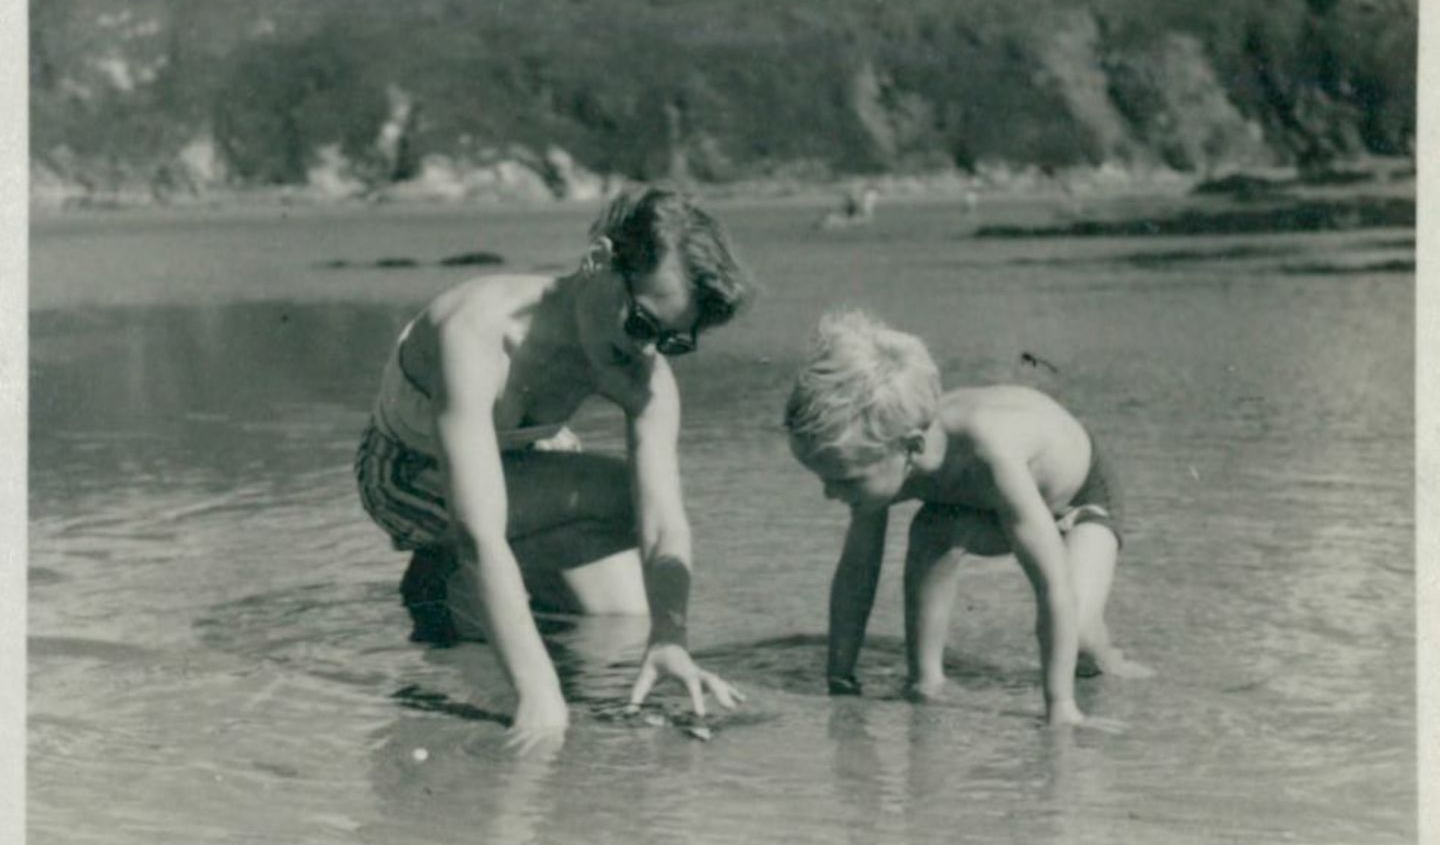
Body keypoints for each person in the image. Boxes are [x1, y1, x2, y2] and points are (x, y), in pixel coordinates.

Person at [355, 187, 752, 752]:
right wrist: (538, 692)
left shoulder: (641, 368)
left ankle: (473, 600)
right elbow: (478, 530)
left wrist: (670, 639)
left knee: (624, 615)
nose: (648, 350)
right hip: (406, 476)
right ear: (598, 261)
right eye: (640, 324)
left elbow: (664, 522)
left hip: (522, 470)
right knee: (609, 503)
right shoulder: (477, 332)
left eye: (673, 339)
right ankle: (444, 580)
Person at [783, 309, 1151, 728]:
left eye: (844, 479)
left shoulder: (990, 450)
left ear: (911, 447)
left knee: (1081, 639)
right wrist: (840, 678)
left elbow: (1051, 584)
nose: (830, 493)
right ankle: (925, 681)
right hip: (982, 504)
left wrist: (1060, 706)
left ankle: (1105, 655)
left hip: (1079, 496)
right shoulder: (885, 448)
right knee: (932, 527)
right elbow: (856, 575)